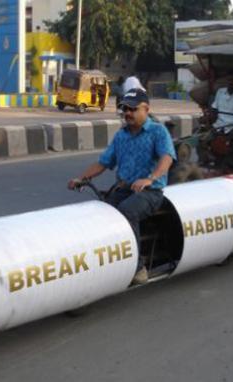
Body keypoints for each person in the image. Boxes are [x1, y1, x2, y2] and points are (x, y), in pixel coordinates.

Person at [67, 89, 176, 285]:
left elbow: (166, 158)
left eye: (132, 109)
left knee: (126, 212)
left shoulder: (158, 131)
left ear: (146, 109)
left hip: (150, 192)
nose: (127, 113)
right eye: (124, 108)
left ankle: (138, 267)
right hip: (124, 188)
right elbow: (103, 163)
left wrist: (150, 179)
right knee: (101, 212)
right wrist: (81, 178)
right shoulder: (121, 136)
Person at [199, 70, 233, 168]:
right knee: (201, 139)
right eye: (229, 80)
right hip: (218, 125)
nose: (231, 82)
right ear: (226, 81)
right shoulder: (220, 92)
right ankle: (208, 159)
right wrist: (206, 118)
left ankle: (230, 165)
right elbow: (214, 110)